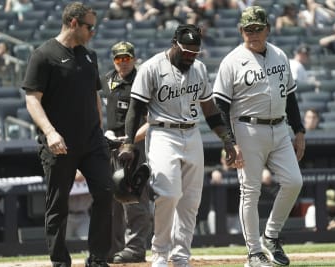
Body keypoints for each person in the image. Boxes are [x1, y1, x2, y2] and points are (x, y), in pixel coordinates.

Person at [119, 24, 239, 267]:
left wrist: (227, 139)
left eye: (194, 53)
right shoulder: (152, 67)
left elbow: (209, 109)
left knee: (191, 200)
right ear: (174, 42)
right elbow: (135, 109)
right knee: (168, 194)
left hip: (192, 133)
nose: (190, 57)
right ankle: (160, 254)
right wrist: (129, 143)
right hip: (163, 133)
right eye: (186, 51)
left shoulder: (199, 68)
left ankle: (181, 256)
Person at [21, 2, 113, 267]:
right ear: (73, 23)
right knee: (58, 205)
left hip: (92, 141)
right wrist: (50, 133)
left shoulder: (89, 56)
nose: (93, 32)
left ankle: (97, 259)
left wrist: (100, 128)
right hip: (59, 143)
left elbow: (94, 96)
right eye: (89, 27)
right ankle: (60, 261)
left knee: (107, 192)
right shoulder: (43, 55)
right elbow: (32, 100)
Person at [213, 6, 305, 267]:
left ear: (268, 28)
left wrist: (299, 130)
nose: (252, 33)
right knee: (250, 191)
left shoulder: (279, 55)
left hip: (279, 128)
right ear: (241, 30)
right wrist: (229, 142)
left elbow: (290, 96)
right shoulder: (231, 60)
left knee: (294, 181)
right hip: (247, 129)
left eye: (257, 28)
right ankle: (254, 252)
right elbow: (220, 106)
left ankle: (271, 234)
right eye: (247, 29)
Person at [101, 41, 152, 264]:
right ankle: (113, 248)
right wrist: (107, 135)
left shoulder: (143, 81)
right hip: (111, 143)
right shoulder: (106, 80)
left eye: (127, 58)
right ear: (114, 60)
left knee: (134, 198)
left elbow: (153, 119)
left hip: (136, 144)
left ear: (134, 58)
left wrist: (131, 141)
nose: (123, 62)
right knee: (112, 198)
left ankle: (136, 248)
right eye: (119, 59)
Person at [66, 170, 92, 241]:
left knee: (86, 242)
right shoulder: (66, 170)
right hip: (67, 216)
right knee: (63, 243)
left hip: (84, 216)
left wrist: (84, 176)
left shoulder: (92, 174)